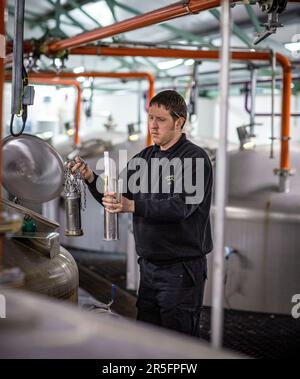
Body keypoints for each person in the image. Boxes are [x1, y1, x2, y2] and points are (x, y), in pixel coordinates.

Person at [72, 90, 213, 337]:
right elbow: (115, 194)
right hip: (149, 268)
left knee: (176, 345)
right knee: (148, 341)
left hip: (180, 270)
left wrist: (132, 206)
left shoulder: (194, 158)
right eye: (150, 118)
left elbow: (181, 207)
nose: (153, 126)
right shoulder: (145, 158)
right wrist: (90, 177)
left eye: (161, 119)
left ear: (179, 122)